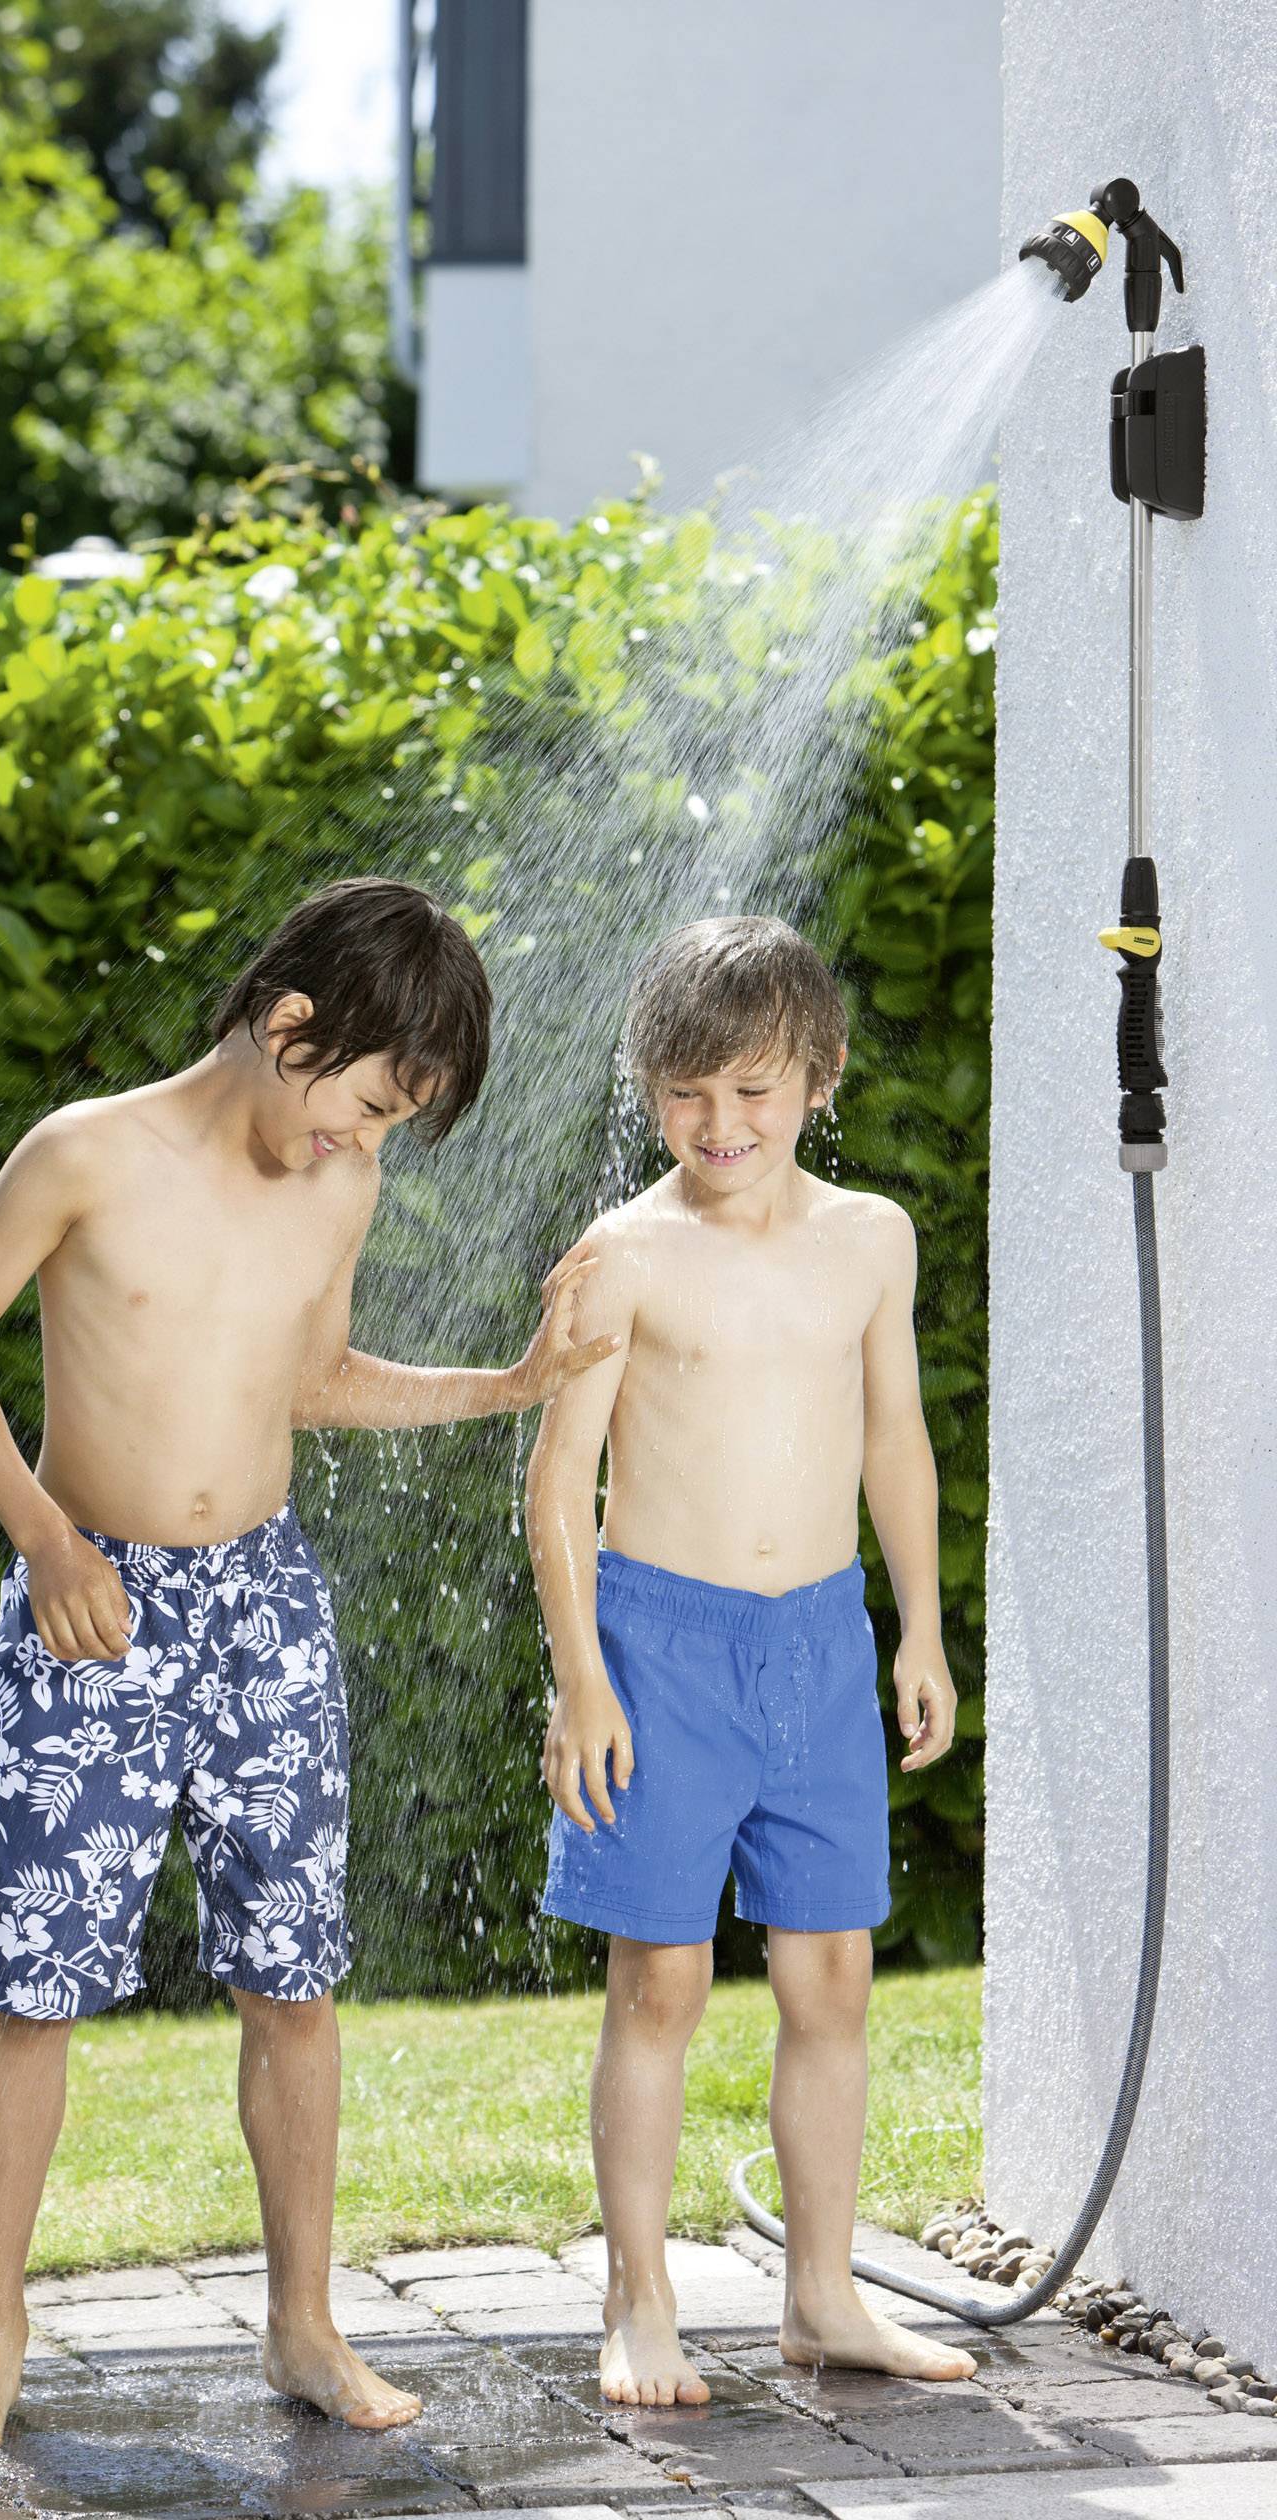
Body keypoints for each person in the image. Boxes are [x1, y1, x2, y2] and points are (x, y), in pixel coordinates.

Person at [0, 878, 616, 2451]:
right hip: (92, 1600)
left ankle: (303, 2324)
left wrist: (508, 1383)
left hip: (265, 1613)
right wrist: (45, 1541)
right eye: (360, 1106)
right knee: (35, 1989)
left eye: (389, 1126)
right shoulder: (87, 1154)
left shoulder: (332, 1189)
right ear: (289, 1025)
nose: (361, 1145)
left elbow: (313, 1380)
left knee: (293, 1979)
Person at [527, 912, 972, 2409]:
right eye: (689, 1094)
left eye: (755, 1091)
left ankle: (823, 2293)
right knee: (657, 1982)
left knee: (831, 1978)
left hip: (818, 1644)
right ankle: (639, 2301)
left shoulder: (873, 1240)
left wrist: (916, 1623)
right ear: (652, 1091)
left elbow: (896, 1437)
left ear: (820, 1079)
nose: (721, 1125)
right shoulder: (623, 1255)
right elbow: (557, 1482)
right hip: (661, 1647)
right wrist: (583, 1677)